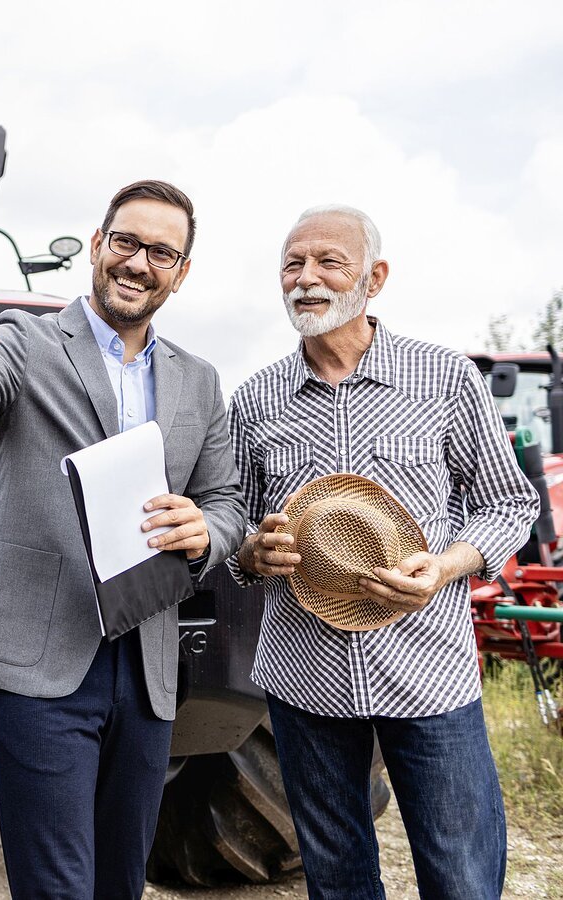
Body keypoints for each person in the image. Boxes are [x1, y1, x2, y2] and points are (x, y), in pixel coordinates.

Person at [0, 180, 246, 899]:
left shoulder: (200, 383)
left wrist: (206, 529)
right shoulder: (26, 340)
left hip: (147, 662)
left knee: (121, 880)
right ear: (97, 245)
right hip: (39, 658)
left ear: (181, 272)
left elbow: (227, 503)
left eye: (162, 252)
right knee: (58, 886)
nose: (139, 263)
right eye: (126, 242)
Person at [228, 204, 539, 899]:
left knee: (460, 876)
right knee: (336, 877)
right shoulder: (254, 402)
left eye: (327, 262)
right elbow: (235, 532)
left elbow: (510, 502)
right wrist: (252, 554)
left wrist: (447, 566)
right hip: (304, 676)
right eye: (292, 264)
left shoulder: (445, 378)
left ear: (376, 276)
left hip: (428, 669)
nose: (305, 279)